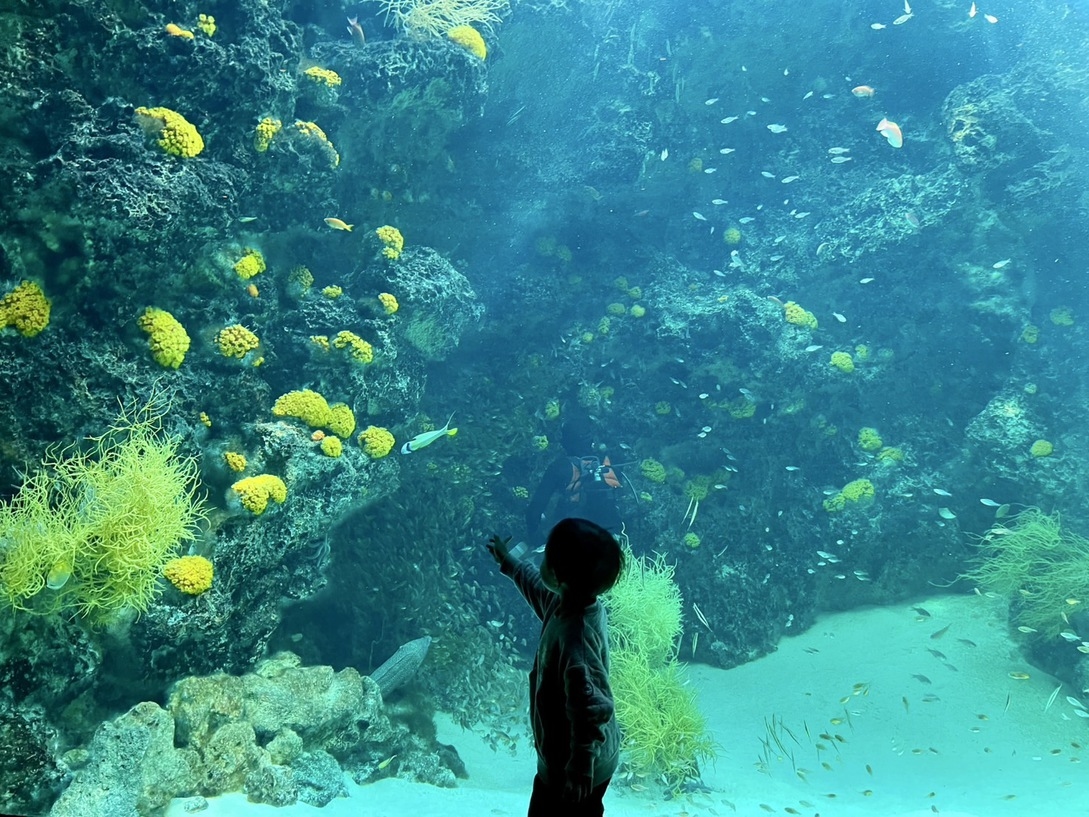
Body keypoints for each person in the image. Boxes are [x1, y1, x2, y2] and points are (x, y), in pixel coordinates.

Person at [487, 519, 623, 817]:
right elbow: (537, 587)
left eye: (546, 556)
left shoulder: (576, 640)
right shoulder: (569, 601)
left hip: (577, 767)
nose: (541, 560)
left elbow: (592, 707)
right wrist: (509, 562)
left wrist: (580, 765)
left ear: (560, 577)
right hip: (569, 759)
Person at [525, 415, 623, 544]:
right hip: (613, 535)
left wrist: (536, 538)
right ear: (591, 439)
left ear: (566, 442)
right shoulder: (610, 462)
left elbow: (535, 509)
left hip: (575, 537)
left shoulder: (559, 467)